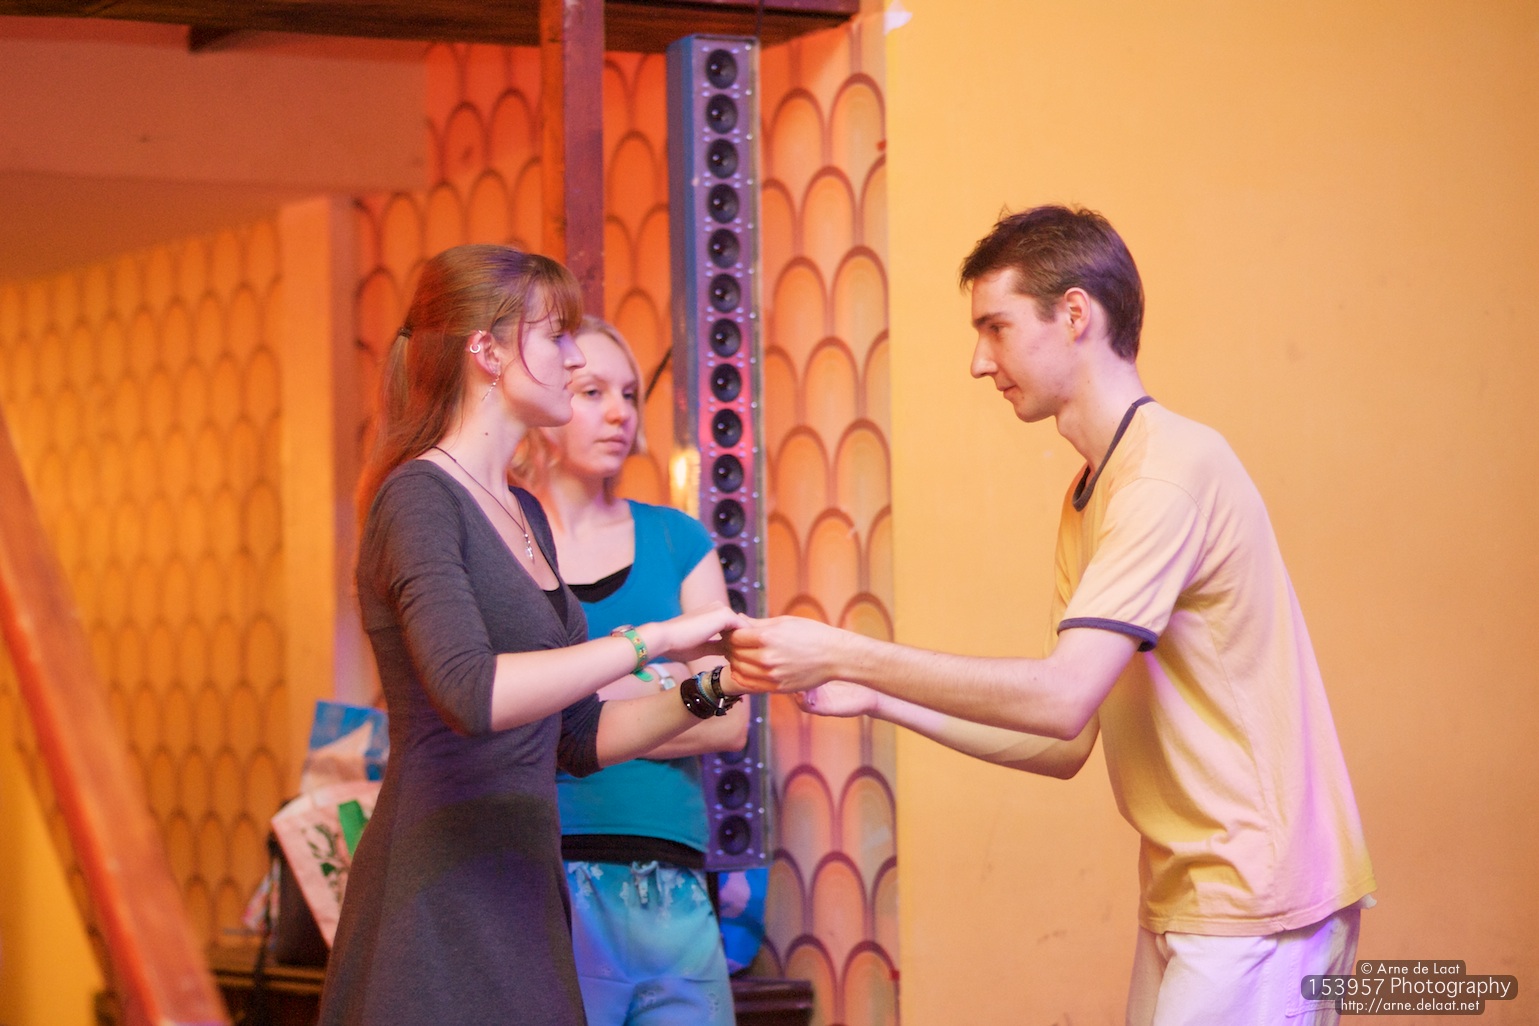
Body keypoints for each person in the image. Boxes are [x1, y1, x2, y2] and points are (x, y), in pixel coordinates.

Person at [726, 206, 1376, 1025]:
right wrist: (876, 697)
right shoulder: (1093, 490)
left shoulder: (1164, 475)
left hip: (1260, 896)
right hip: (1194, 890)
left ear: (1074, 315)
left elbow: (1060, 697)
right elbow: (1062, 739)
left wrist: (845, 654)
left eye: (995, 328)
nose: (977, 362)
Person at [318, 245, 746, 1026]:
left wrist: (721, 683)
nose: (573, 356)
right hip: (439, 883)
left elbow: (575, 736)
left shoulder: (522, 512)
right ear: (486, 351)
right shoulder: (418, 496)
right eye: (556, 336)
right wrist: (653, 638)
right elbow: (471, 692)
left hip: (522, 881)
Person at [514, 316, 747, 1026]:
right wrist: (665, 689)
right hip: (546, 874)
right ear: (543, 397)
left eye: (628, 394)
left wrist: (586, 698)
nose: (618, 412)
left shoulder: (678, 537)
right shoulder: (506, 539)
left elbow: (730, 718)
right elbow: (500, 711)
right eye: (592, 392)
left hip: (672, 879)